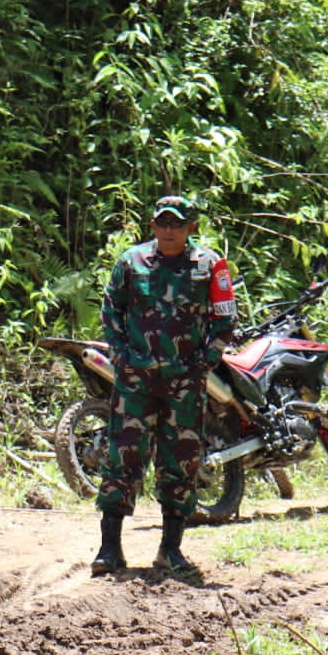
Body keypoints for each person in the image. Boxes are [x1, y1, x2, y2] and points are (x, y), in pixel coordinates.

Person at [93, 194, 235, 577]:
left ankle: (170, 550)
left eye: (177, 223)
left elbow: (225, 320)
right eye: (162, 223)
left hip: (184, 384)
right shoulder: (131, 261)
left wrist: (204, 362)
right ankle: (109, 549)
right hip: (136, 381)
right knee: (121, 458)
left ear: (191, 227)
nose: (168, 230)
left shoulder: (210, 265)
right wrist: (122, 355)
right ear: (153, 226)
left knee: (181, 462)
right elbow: (111, 311)